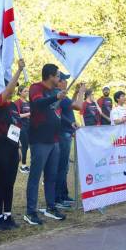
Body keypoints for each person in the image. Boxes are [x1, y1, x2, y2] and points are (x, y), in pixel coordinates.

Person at [24, 64, 72, 225]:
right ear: (50, 76)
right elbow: (38, 104)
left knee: (51, 176)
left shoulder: (54, 92)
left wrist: (70, 123)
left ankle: (51, 207)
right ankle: (30, 212)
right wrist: (56, 97)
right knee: (35, 177)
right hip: (39, 140)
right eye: (58, 75)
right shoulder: (36, 88)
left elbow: (55, 113)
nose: (60, 79)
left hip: (54, 140)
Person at [0, 60, 26, 230]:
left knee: (10, 183)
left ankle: (8, 215)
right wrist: (18, 70)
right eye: (10, 87)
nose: (13, 89)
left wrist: (18, 147)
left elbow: (15, 126)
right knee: (1, 183)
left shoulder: (13, 105)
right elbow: (7, 91)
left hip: (12, 149)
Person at [56, 74, 84, 208]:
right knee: (62, 167)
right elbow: (78, 106)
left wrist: (76, 93)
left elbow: (69, 107)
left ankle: (63, 194)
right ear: (59, 82)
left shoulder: (62, 96)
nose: (67, 82)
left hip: (65, 133)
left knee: (64, 166)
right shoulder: (58, 95)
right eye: (64, 80)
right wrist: (83, 91)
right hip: (63, 134)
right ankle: (59, 197)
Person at [16, 87, 31, 173]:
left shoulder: (29, 102)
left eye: (28, 91)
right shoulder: (18, 102)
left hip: (30, 127)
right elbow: (17, 115)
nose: (27, 92)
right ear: (20, 92)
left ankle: (26, 165)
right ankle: (23, 166)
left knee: (29, 146)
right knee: (24, 146)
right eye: (25, 91)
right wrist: (29, 113)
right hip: (22, 127)